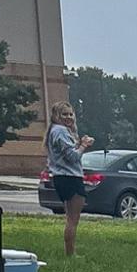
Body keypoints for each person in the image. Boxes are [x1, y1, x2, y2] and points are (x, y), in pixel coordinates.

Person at [45, 102, 93, 257]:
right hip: (70, 178)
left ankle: (70, 252)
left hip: (61, 177)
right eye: (64, 114)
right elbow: (72, 157)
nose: (68, 117)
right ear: (56, 116)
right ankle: (70, 254)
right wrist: (84, 145)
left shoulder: (54, 131)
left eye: (71, 114)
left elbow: (66, 152)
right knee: (73, 220)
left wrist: (78, 144)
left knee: (70, 218)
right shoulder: (61, 131)